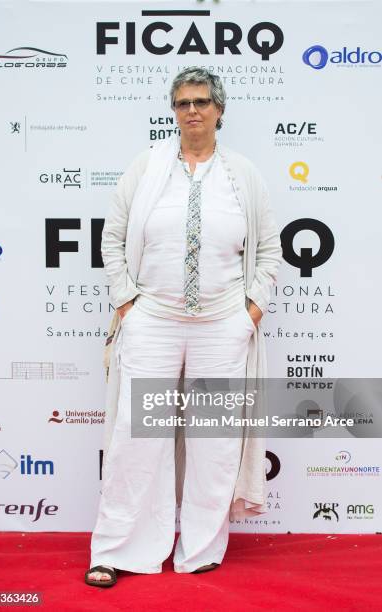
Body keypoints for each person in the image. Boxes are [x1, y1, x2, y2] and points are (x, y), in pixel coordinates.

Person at [85, 67, 283, 588]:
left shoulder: (243, 174)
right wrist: (127, 303)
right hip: (153, 320)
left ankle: (200, 547)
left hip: (222, 325)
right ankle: (119, 549)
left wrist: (249, 312)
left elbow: (268, 251)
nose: (191, 111)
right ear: (173, 112)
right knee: (135, 436)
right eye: (182, 103)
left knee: (213, 441)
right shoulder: (147, 168)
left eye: (200, 101)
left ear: (219, 110)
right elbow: (113, 240)